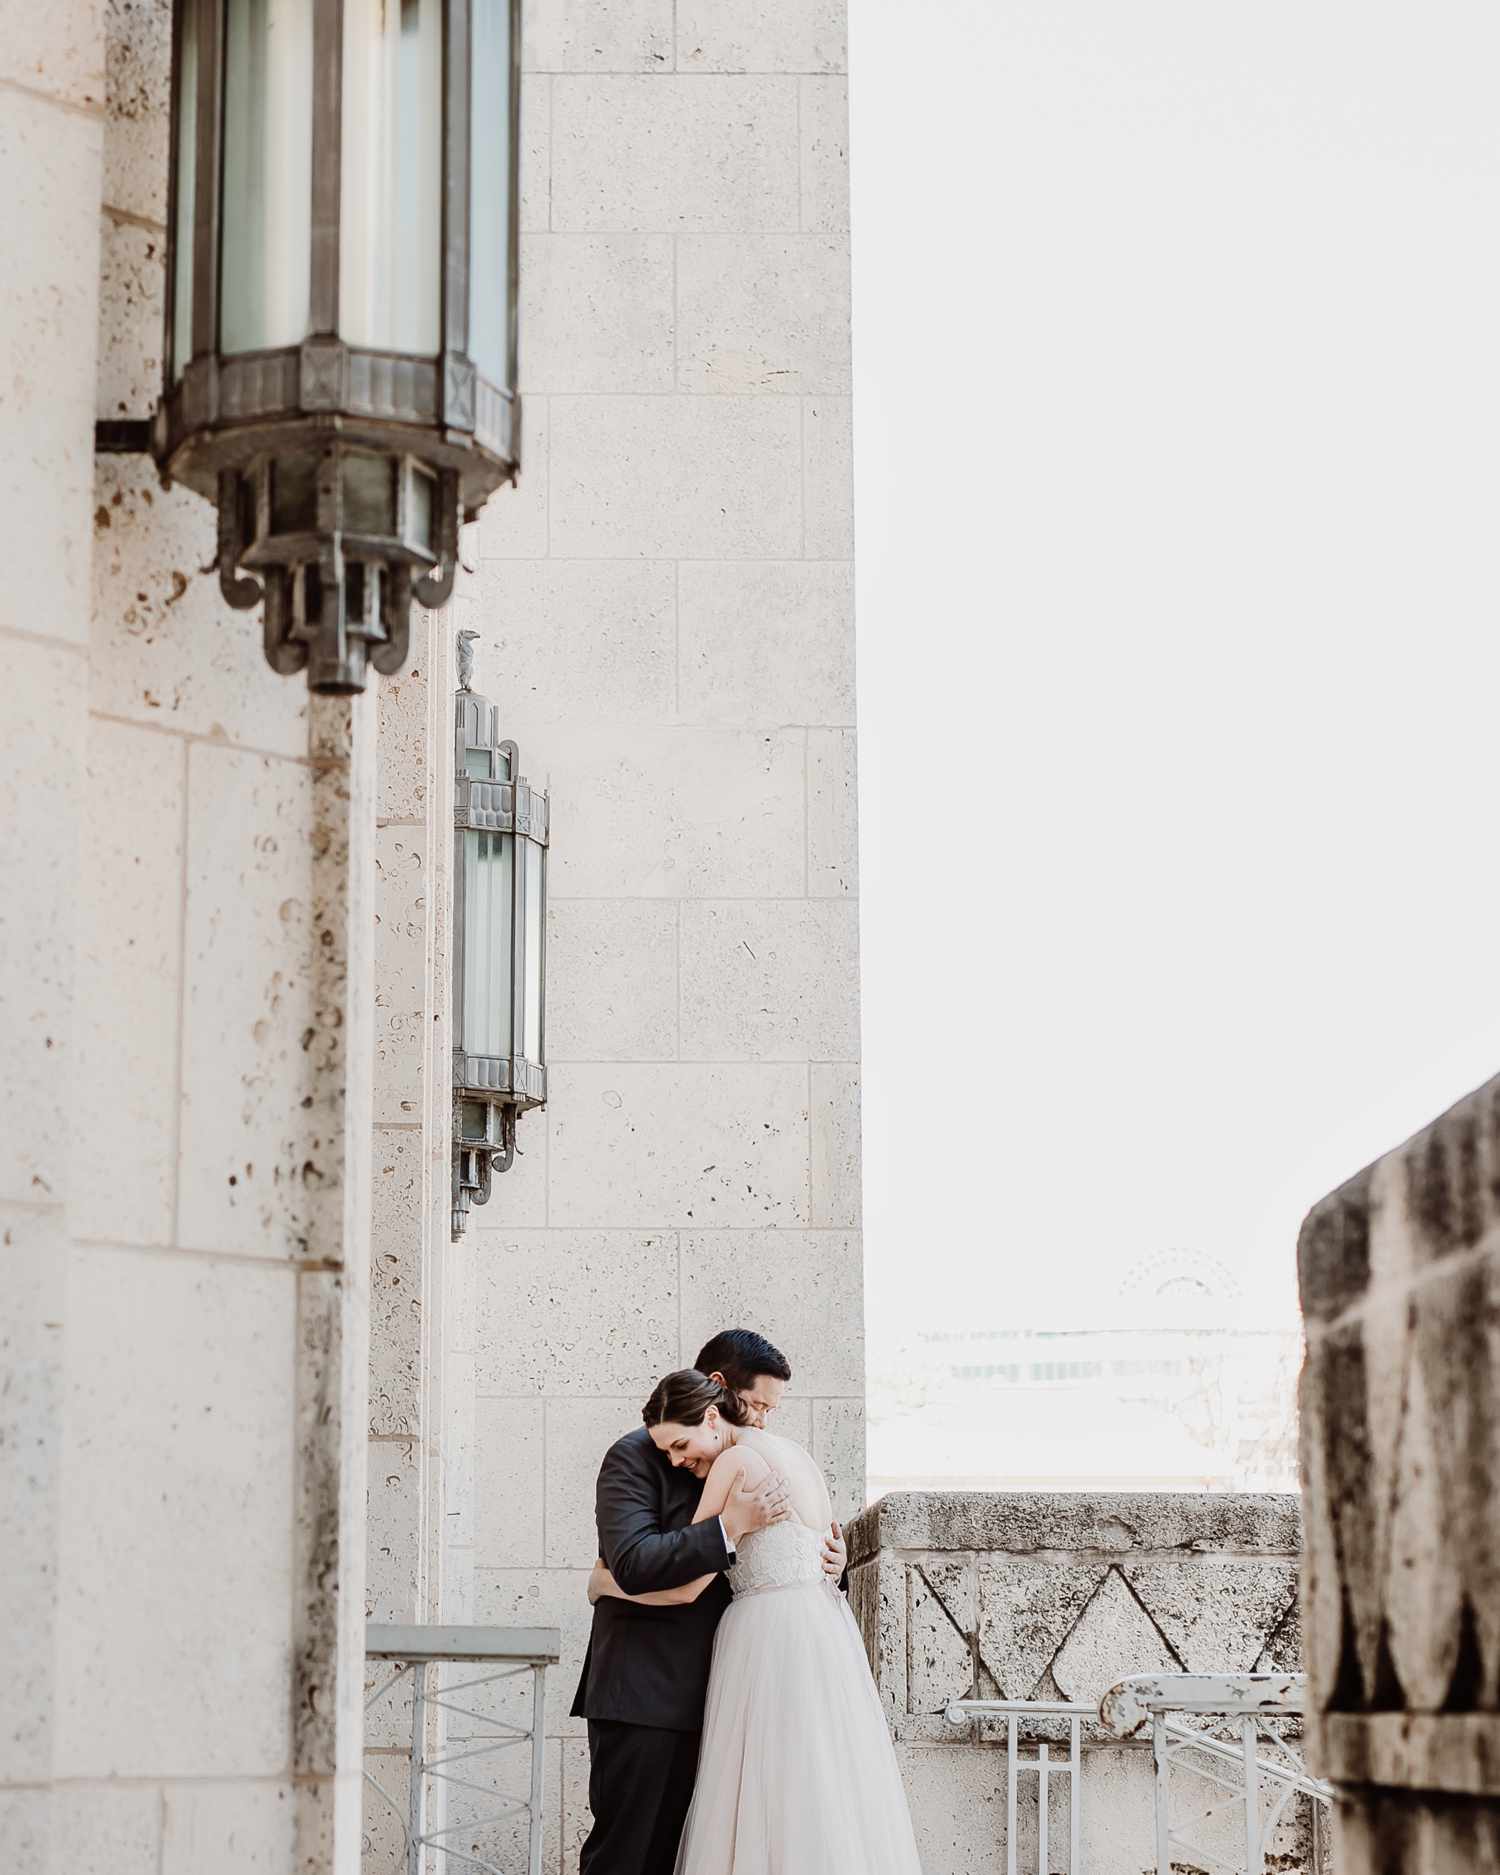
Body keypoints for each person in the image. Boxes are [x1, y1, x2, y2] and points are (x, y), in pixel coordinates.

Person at [589, 1371, 923, 1875]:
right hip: (818, 1641)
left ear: (711, 1413)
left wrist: (601, 1584)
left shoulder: (735, 1462)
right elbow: (817, 1549)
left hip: (762, 1645)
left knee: (753, 1802)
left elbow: (689, 1586)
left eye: (680, 1446)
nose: (676, 1460)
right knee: (812, 1795)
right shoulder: (799, 1457)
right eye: (760, 1404)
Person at [572, 1332, 847, 1875]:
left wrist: (831, 1565)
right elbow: (632, 1559)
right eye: (758, 1405)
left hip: (733, 1695)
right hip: (645, 1695)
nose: (764, 1420)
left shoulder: (759, 1459)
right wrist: (727, 1528)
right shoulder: (635, 1456)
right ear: (719, 1395)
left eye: (772, 1409)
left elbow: (791, 1555)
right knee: (628, 1856)